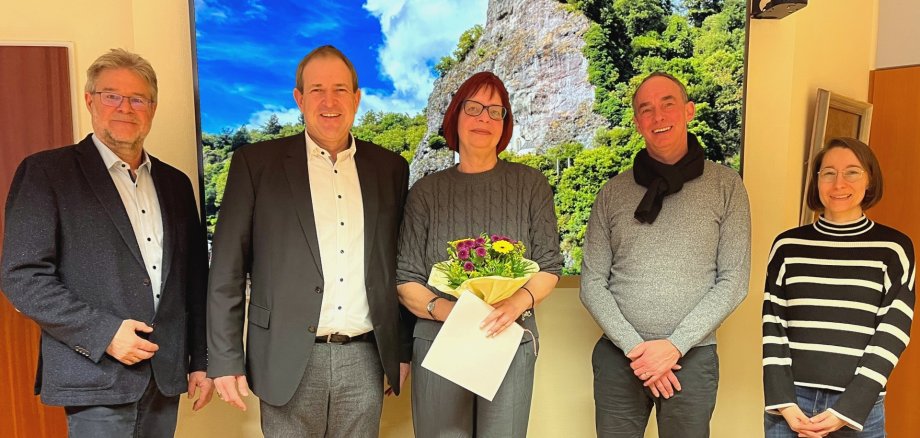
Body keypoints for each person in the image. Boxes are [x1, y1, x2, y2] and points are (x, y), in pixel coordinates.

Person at [0, 49, 212, 437]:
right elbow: (22, 276)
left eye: (138, 99)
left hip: (163, 376)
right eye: (111, 95)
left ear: (152, 107)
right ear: (89, 100)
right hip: (95, 373)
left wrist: (201, 359)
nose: (125, 108)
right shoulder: (47, 172)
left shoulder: (176, 184)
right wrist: (104, 334)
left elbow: (195, 281)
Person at [206, 45, 410, 437]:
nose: (329, 101)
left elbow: (396, 267)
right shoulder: (256, 164)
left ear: (357, 97)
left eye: (340, 89)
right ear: (299, 98)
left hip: (366, 358)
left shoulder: (391, 169)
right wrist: (225, 358)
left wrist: (399, 352)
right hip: (284, 355)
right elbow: (227, 271)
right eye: (317, 89)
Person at [580, 72, 751, 437]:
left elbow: (734, 281)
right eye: (646, 109)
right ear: (636, 122)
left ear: (688, 111)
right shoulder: (612, 193)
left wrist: (673, 347)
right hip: (619, 358)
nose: (658, 117)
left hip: (692, 356)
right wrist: (638, 352)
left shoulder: (726, 186)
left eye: (667, 104)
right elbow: (592, 282)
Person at [396, 71, 563, 437]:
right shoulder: (426, 192)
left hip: (509, 335)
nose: (484, 118)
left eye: (495, 111)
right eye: (473, 108)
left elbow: (550, 266)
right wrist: (451, 313)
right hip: (439, 339)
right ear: (455, 116)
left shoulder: (530, 185)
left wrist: (514, 304)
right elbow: (406, 278)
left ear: (505, 124)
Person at [763, 137, 915, 438]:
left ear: (870, 180)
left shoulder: (893, 248)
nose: (839, 183)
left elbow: (893, 333)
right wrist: (784, 403)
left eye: (852, 172)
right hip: (792, 405)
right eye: (828, 172)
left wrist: (849, 408)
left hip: (859, 405)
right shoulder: (787, 246)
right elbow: (773, 327)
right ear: (816, 180)